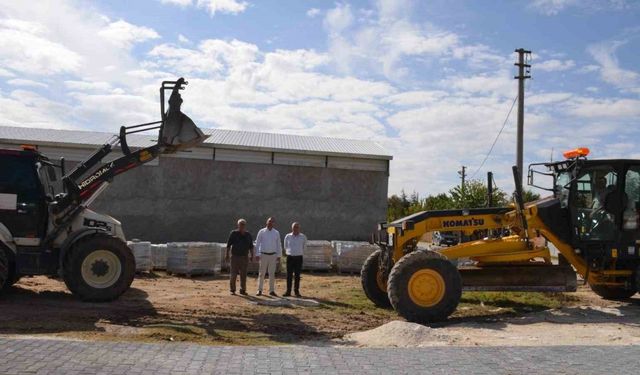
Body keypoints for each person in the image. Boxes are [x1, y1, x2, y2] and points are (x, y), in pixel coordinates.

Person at [225, 219, 254, 296]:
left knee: (243, 275)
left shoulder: (248, 235)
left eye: (243, 224)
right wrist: (227, 254)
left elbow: (251, 246)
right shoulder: (233, 233)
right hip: (235, 257)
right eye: (240, 224)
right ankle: (233, 289)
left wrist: (252, 255)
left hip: (244, 257)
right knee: (233, 274)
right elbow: (228, 245)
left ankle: (243, 290)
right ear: (238, 225)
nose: (242, 226)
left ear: (245, 225)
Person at [254, 217, 282, 296]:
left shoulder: (276, 233)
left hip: (273, 255)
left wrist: (279, 255)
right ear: (266, 222)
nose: (270, 223)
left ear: (274, 223)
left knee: (272, 274)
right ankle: (259, 290)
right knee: (261, 273)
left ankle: (271, 290)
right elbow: (258, 243)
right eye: (269, 221)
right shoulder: (261, 231)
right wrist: (257, 254)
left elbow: (278, 244)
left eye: (272, 222)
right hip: (263, 255)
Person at [283, 222, 307, 297]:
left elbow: (305, 247)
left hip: (298, 258)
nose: (295, 228)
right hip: (290, 257)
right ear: (292, 228)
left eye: (297, 227)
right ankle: (288, 291)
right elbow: (285, 246)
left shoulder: (303, 237)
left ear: (299, 228)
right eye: (294, 227)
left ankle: (296, 291)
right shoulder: (288, 236)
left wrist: (300, 253)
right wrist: (289, 253)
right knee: (289, 275)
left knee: (297, 275)